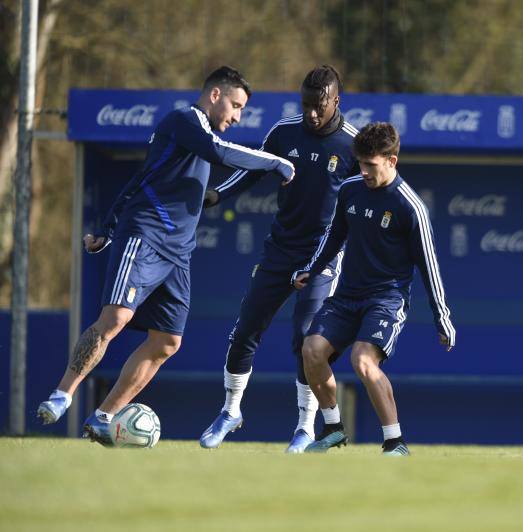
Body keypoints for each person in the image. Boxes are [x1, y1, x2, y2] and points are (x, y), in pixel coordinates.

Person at [37, 66, 295, 445]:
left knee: (167, 343)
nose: (238, 116)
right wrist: (274, 161)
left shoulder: (195, 133)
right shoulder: (184, 120)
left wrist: (106, 227)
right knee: (115, 318)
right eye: (236, 106)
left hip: (178, 253)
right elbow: (218, 152)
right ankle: (62, 395)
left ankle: (103, 417)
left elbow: (139, 179)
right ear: (214, 95)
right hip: (145, 236)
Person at [199, 65, 360, 452]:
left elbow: (367, 198)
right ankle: (230, 411)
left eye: (319, 107)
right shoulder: (284, 132)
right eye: (305, 105)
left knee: (306, 340)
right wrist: (217, 194)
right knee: (246, 327)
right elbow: (253, 170)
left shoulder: (352, 145)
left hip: (321, 259)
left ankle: (304, 427)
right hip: (280, 250)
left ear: (336, 101)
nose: (311, 114)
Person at [292, 122, 455, 456]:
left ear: (391, 161)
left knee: (363, 361)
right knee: (311, 350)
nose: (363, 170)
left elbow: (430, 266)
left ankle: (395, 442)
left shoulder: (410, 207)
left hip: (385, 299)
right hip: (347, 296)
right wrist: (313, 267)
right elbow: (333, 234)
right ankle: (334, 428)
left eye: (371, 164)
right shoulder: (351, 189)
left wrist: (443, 317)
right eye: (360, 163)